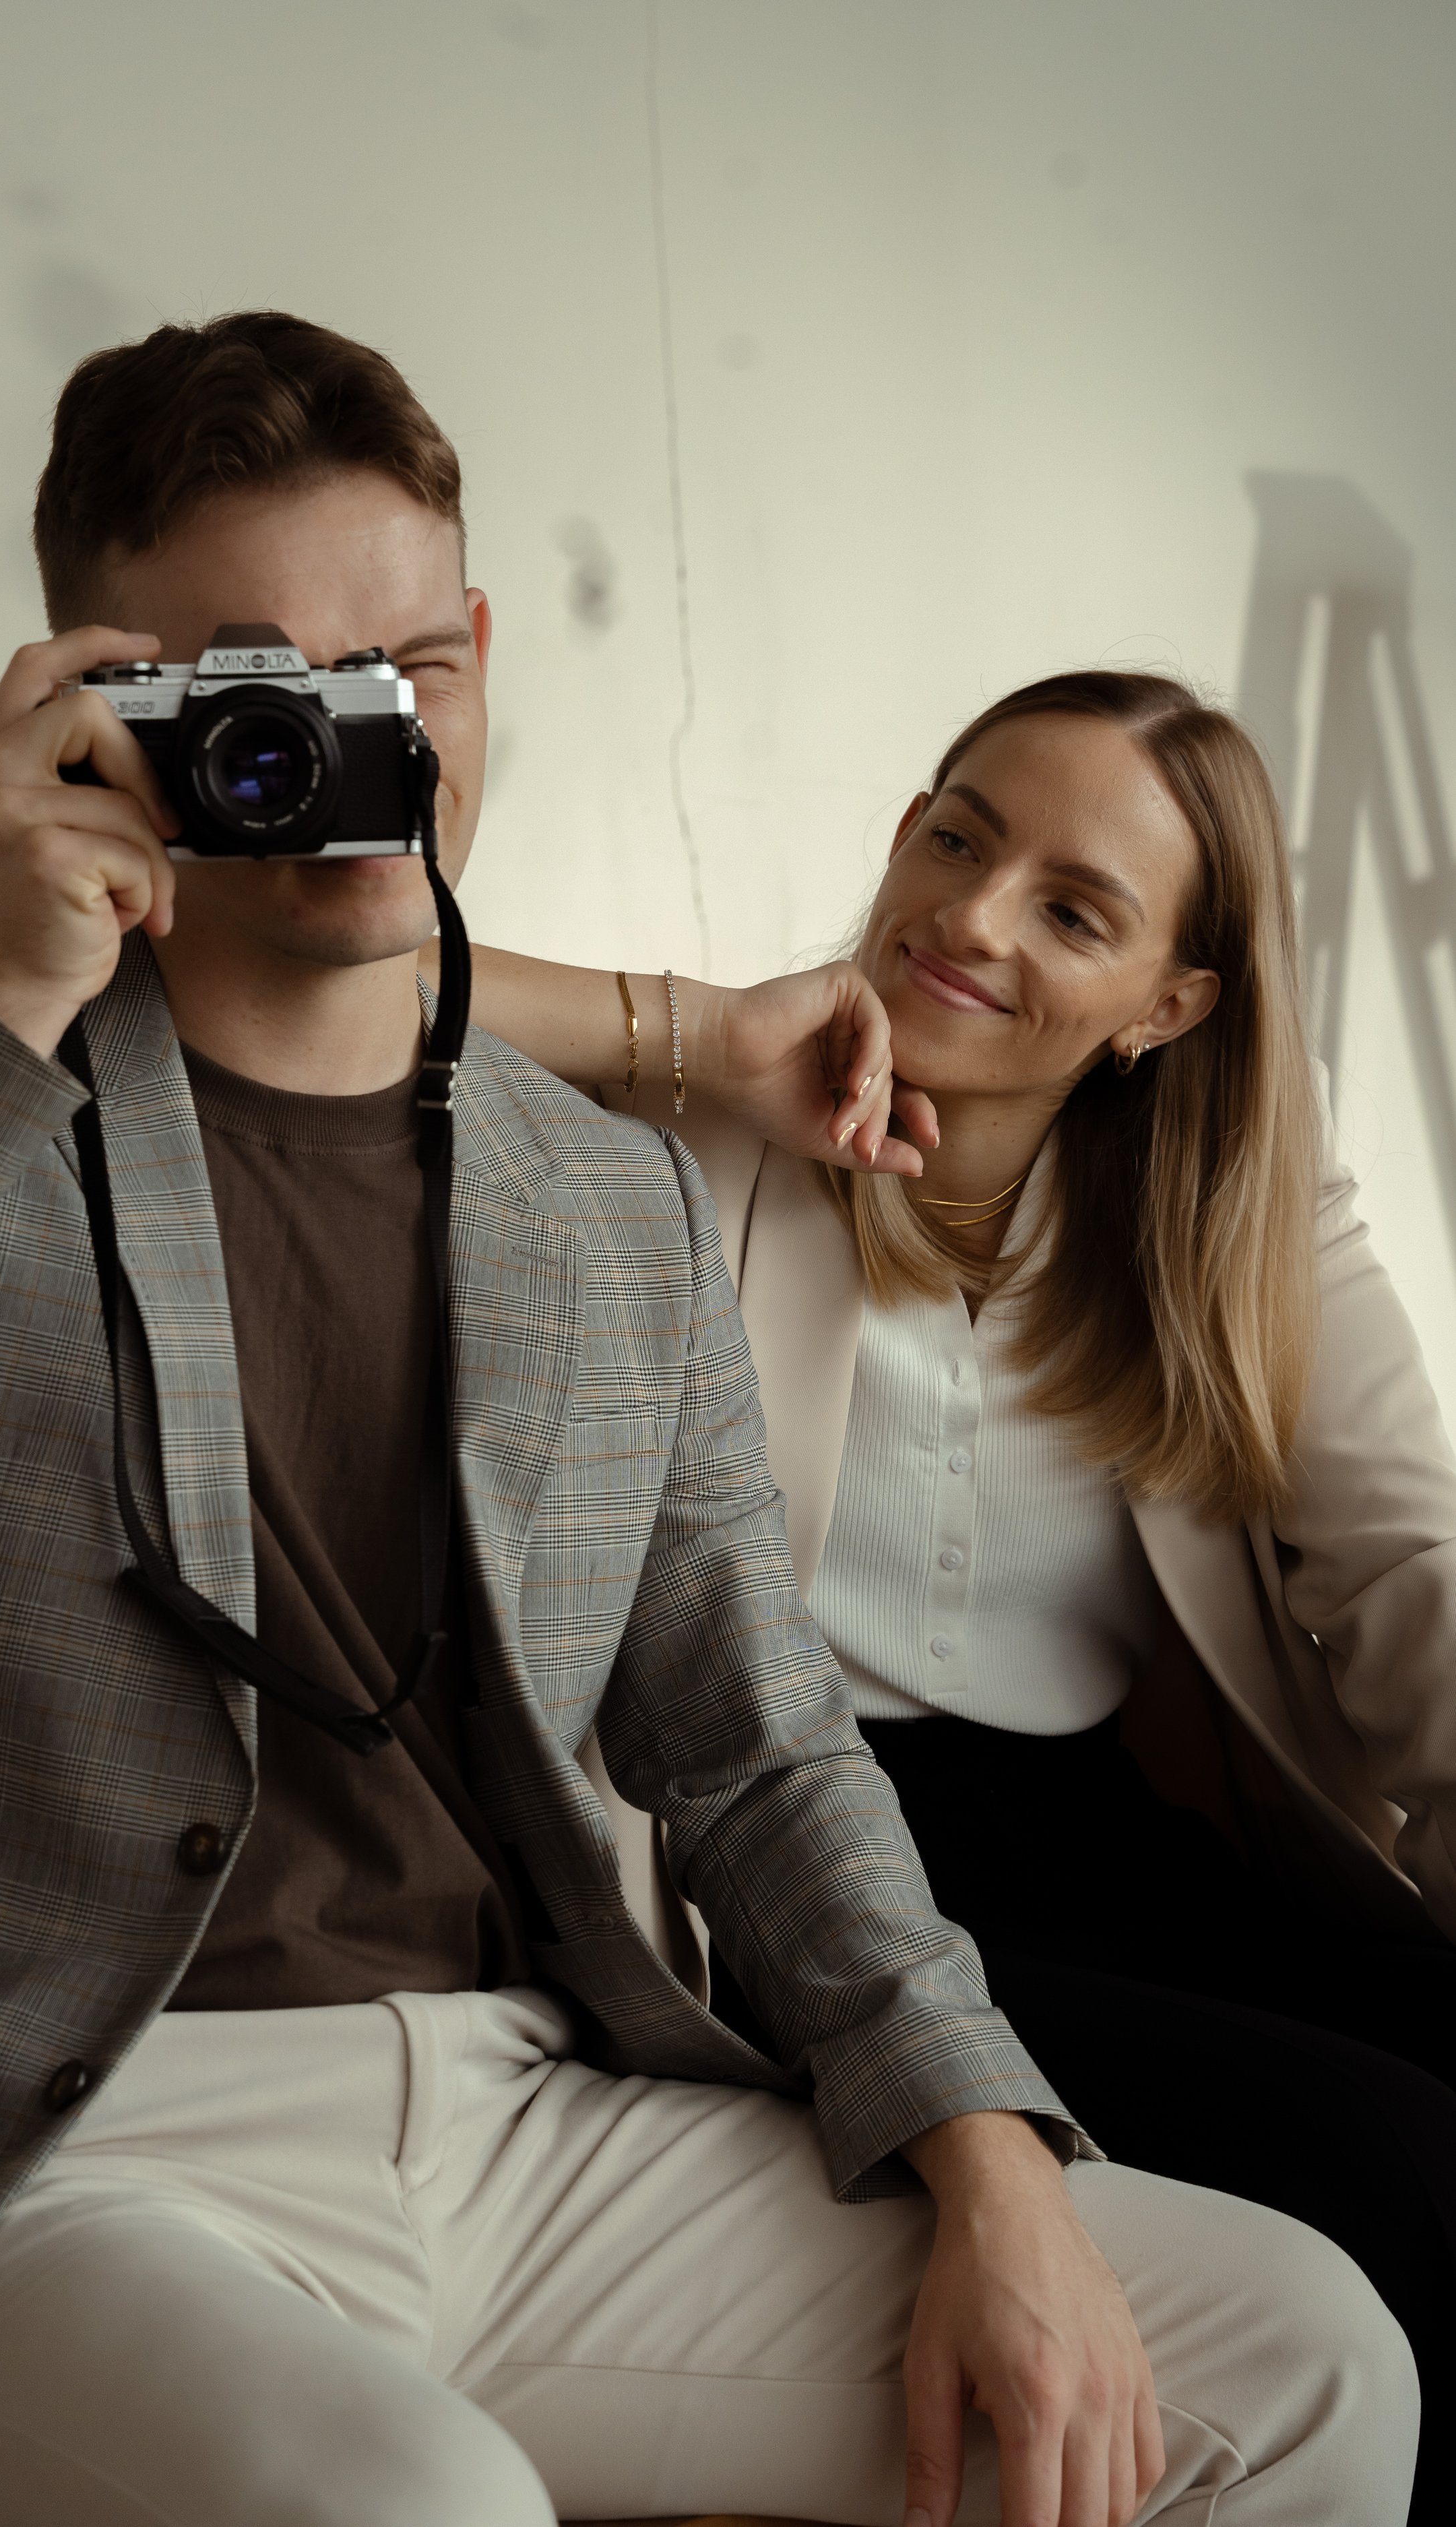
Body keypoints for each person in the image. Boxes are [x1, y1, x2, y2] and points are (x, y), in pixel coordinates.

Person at [0, 316, 1415, 2527]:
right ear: (106, 702)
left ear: (470, 656)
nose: (360, 736)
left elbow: (753, 1740)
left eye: (402, 672)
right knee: (411, 2506)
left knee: (1301, 2357)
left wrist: (993, 2166)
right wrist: (15, 994)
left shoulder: (599, 1195)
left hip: (535, 2111)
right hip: (54, 2135)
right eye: (268, 683)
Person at [450, 667, 1456, 2522]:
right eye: (955, 834)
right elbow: (361, 1006)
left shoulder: (1236, 1203)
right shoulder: (693, 1139)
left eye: (1071, 909)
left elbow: (1413, 1575)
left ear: (1170, 1007)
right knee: (1404, 2167)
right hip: (791, 1849)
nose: (967, 919)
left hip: (1109, 1841)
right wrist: (692, 1031)